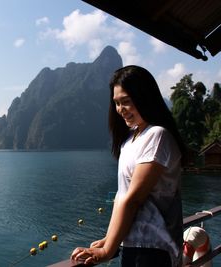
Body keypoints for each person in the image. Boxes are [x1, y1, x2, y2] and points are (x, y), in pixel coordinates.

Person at [71, 65, 185, 267]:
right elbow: (121, 196)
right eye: (116, 103)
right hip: (133, 246)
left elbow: (133, 199)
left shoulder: (157, 136)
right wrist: (109, 239)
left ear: (144, 99)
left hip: (155, 249)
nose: (120, 110)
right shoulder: (129, 140)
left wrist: (107, 250)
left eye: (126, 102)